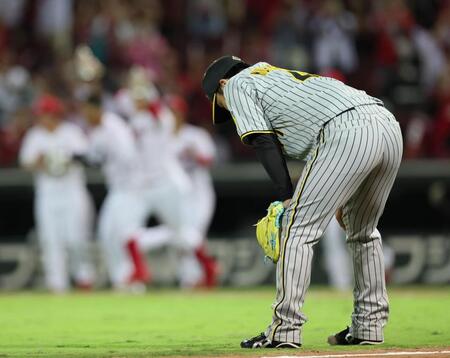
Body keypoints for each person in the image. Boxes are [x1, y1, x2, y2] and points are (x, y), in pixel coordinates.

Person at [202, 56, 403, 348]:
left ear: (222, 84)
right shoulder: (274, 77)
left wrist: (287, 196)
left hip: (346, 132)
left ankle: (284, 329)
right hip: (386, 125)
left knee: (296, 229)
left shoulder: (237, 84)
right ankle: (369, 325)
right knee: (362, 231)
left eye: (219, 103)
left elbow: (262, 141)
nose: (227, 110)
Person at [134, 95, 218, 287]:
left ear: (182, 114)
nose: (173, 115)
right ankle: (194, 276)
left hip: (199, 193)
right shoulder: (161, 137)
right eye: (170, 111)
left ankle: (195, 277)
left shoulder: (195, 135)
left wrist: (194, 154)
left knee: (191, 232)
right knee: (181, 234)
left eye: (176, 112)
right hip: (174, 194)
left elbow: (208, 160)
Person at [19, 94, 94, 293]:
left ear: (55, 114)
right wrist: (39, 161)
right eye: (42, 114)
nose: (44, 118)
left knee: (76, 238)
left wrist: (64, 159)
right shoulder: (35, 135)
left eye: (47, 114)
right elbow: (25, 162)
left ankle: (83, 277)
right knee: (51, 240)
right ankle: (57, 283)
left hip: (72, 192)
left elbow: (85, 155)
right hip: (48, 194)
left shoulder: (70, 132)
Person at [80, 94, 149, 290]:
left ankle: (134, 280)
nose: (85, 115)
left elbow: (128, 156)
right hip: (118, 189)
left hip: (131, 188)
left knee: (123, 234)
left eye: (87, 110)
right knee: (107, 234)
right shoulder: (98, 131)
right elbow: (92, 158)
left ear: (96, 109)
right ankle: (122, 280)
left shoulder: (114, 127)